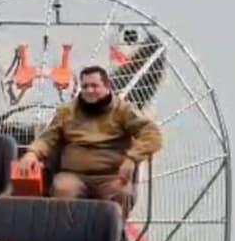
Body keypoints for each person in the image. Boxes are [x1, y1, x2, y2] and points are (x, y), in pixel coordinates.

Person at [16, 65, 163, 217]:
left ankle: (114, 233)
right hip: (73, 175)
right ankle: (66, 235)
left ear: (107, 86)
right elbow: (47, 138)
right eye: (85, 86)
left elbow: (152, 134)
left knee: (121, 192)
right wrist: (32, 154)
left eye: (94, 86)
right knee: (63, 189)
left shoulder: (123, 111)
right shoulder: (67, 112)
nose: (89, 91)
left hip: (110, 176)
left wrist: (132, 157)